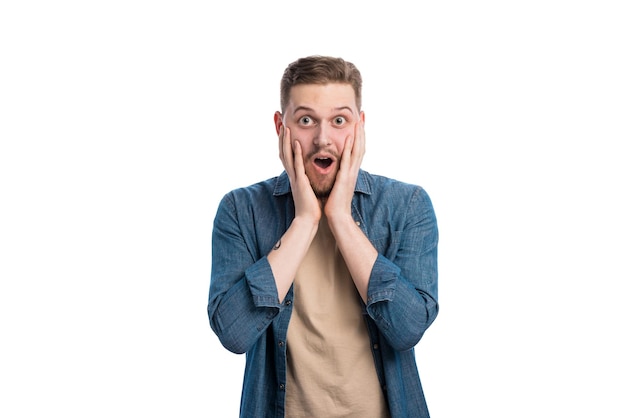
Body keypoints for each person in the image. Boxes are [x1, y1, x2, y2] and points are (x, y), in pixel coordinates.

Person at [208, 55, 439, 418]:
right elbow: (233, 333)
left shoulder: (407, 206)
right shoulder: (241, 210)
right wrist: (303, 221)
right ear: (280, 127)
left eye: (339, 120)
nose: (323, 138)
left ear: (360, 127)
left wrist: (340, 218)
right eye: (305, 120)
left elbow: (407, 329)